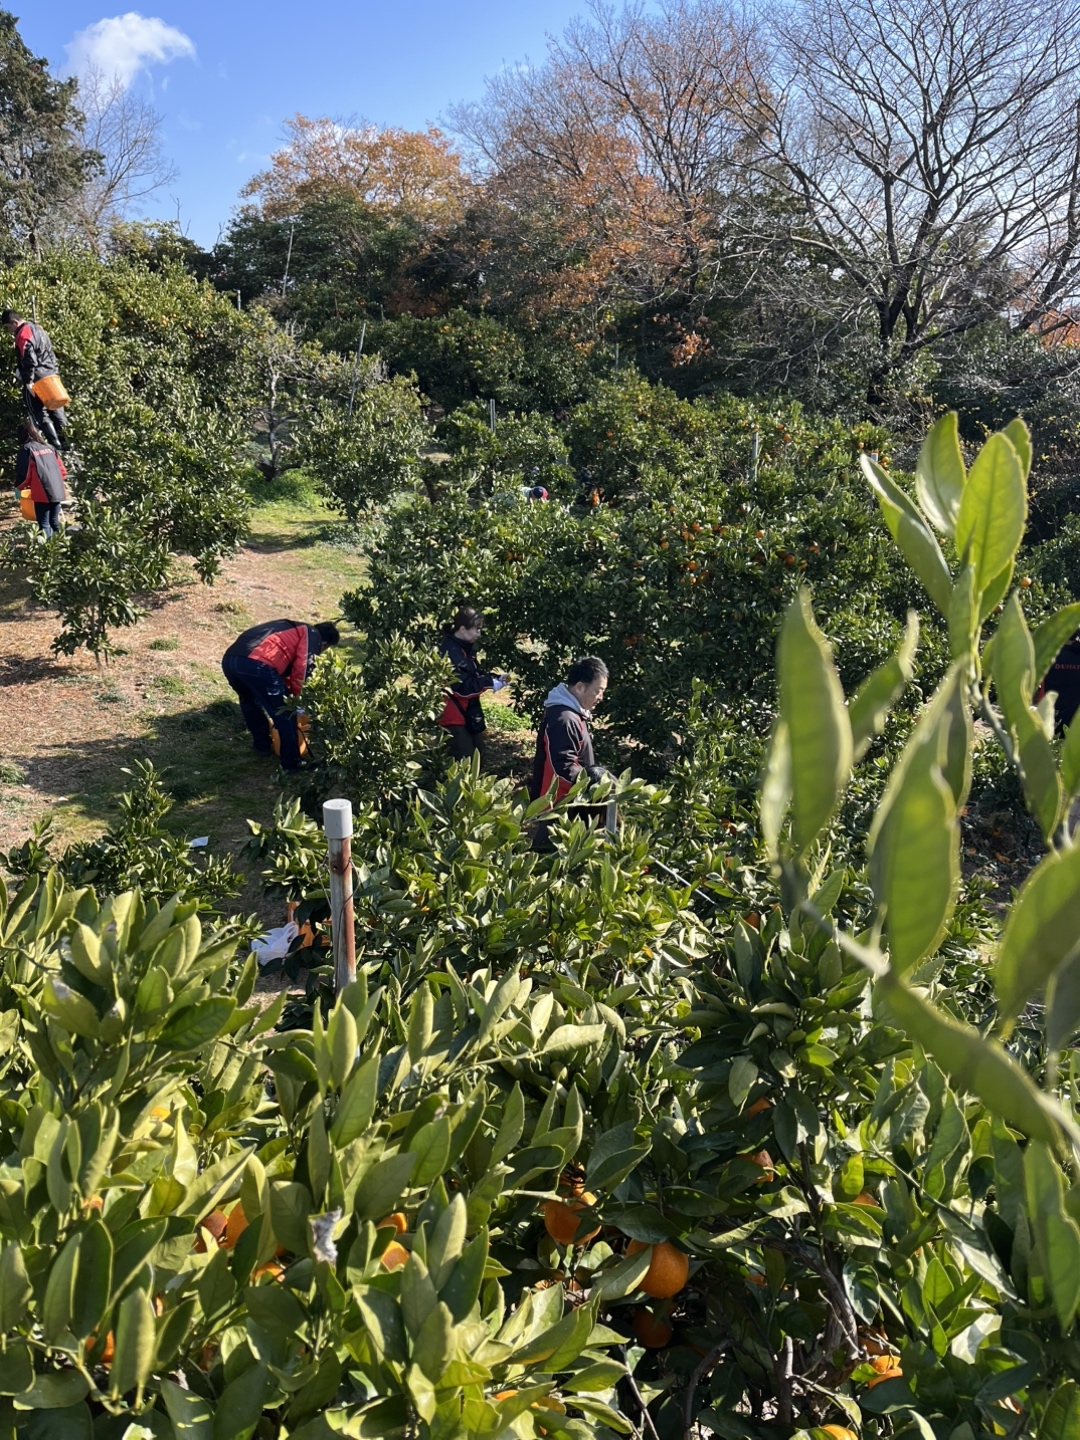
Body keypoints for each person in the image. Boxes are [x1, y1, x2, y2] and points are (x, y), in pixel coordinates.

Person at [221, 618, 340, 770]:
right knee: (285, 712)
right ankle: (292, 763)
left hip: (231, 660)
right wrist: (298, 700)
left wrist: (290, 690)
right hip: (257, 663)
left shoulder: (290, 628)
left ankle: (262, 745)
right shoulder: (312, 635)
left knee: (249, 702)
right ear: (324, 644)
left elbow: (285, 672)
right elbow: (303, 669)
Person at [530, 656, 610, 803]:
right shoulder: (565, 719)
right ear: (580, 687)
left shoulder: (573, 714)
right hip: (557, 805)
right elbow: (563, 767)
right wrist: (595, 781)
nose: (600, 697)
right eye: (598, 691)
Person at [437, 607, 507, 763]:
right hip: (453, 716)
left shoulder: (463, 648)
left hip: (466, 713)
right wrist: (489, 683)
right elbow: (462, 687)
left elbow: (473, 674)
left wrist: (495, 678)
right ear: (462, 629)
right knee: (464, 761)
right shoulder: (451, 651)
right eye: (476, 630)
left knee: (478, 756)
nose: (478, 634)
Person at [1, 311, 67, 449]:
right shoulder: (39, 329)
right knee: (56, 408)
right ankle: (65, 442)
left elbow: (30, 359)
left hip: (37, 378)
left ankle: (55, 443)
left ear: (14, 323)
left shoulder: (23, 334)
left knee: (38, 410)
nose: (10, 331)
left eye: (8, 327)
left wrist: (28, 381)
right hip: (51, 375)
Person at [14, 421, 67, 539]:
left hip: (42, 492)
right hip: (57, 489)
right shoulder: (49, 447)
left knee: (44, 524)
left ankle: (48, 552)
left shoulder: (26, 449)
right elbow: (62, 470)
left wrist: (18, 487)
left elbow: (24, 474)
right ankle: (63, 548)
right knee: (54, 521)